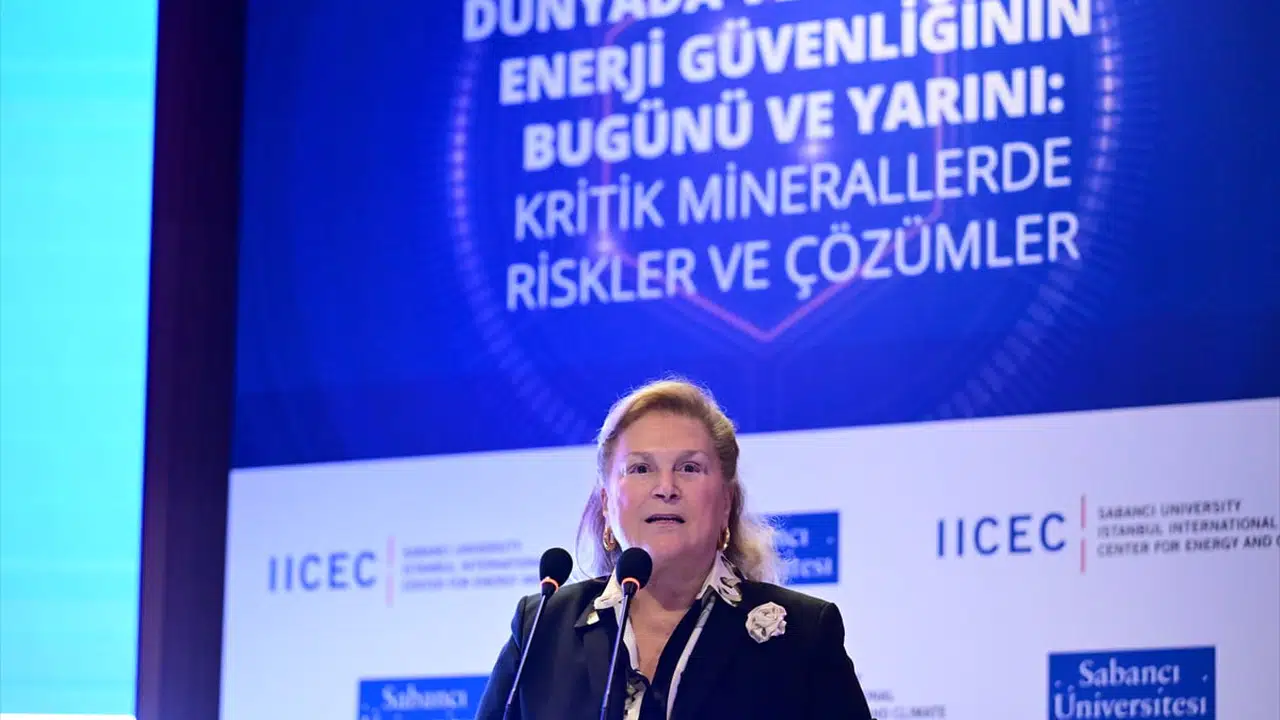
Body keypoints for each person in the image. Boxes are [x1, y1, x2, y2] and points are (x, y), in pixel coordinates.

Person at [475, 378, 876, 720]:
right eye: (640, 468)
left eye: (689, 468)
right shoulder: (542, 626)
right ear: (606, 504)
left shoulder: (803, 635)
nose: (665, 488)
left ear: (726, 502)